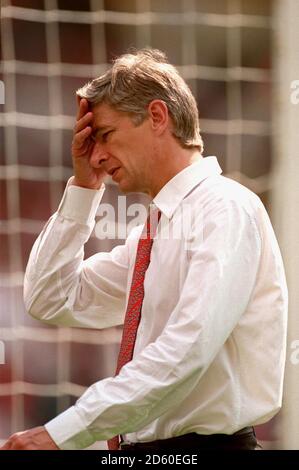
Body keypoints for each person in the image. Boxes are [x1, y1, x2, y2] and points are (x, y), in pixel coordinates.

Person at [1, 48, 288, 450]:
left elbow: (187, 349)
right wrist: (85, 188)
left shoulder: (224, 208)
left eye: (105, 135)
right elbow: (50, 297)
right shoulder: (158, 228)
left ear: (156, 116)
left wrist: (62, 432)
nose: (96, 154)